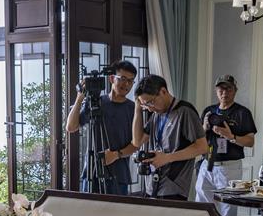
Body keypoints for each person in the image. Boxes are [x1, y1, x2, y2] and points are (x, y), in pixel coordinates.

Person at [66, 60, 138, 195]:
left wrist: (116, 155)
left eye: (130, 81)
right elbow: (71, 127)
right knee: (88, 209)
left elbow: (136, 144)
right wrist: (79, 98)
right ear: (111, 79)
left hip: (119, 175)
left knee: (117, 210)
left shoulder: (133, 109)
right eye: (122, 79)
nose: (126, 84)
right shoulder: (96, 103)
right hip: (91, 172)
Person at [132, 74, 208, 200]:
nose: (150, 109)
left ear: (163, 91)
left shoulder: (185, 111)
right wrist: (137, 109)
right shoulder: (156, 114)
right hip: (152, 185)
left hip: (173, 188)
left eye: (151, 102)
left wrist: (167, 158)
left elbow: (202, 147)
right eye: (146, 105)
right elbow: (137, 141)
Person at [196, 75, 257, 216]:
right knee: (202, 206)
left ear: (235, 90)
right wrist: (204, 128)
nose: (224, 93)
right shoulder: (209, 111)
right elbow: (197, 138)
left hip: (229, 167)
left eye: (229, 89)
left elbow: (250, 141)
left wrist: (231, 137)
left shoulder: (242, 113)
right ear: (216, 91)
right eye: (221, 89)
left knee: (228, 209)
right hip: (207, 163)